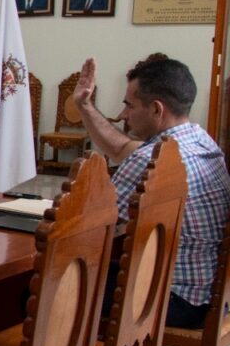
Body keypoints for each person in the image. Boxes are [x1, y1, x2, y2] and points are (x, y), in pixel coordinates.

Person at [72, 54, 230, 328]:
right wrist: (84, 105)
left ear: (157, 109)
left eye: (128, 105)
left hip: (176, 298)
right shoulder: (201, 142)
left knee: (52, 286)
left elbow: (91, 228)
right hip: (209, 295)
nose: (123, 114)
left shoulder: (151, 160)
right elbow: (122, 148)